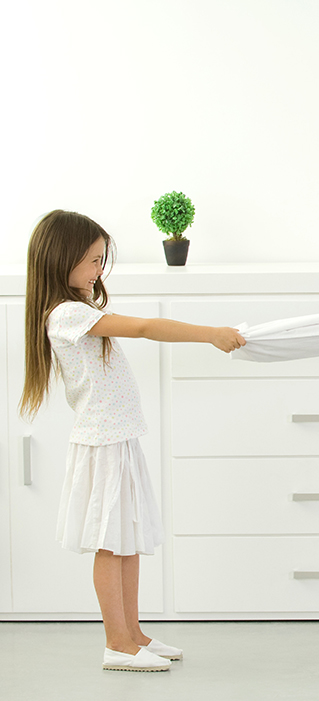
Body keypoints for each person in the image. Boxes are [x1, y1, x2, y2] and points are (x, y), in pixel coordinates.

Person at [19, 210, 246, 672]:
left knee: (127, 540)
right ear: (59, 261)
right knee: (110, 543)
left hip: (119, 438)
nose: (98, 270)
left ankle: (133, 634)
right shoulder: (66, 314)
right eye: (91, 261)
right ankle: (117, 643)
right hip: (102, 443)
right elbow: (143, 327)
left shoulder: (80, 310)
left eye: (103, 260)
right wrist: (211, 335)